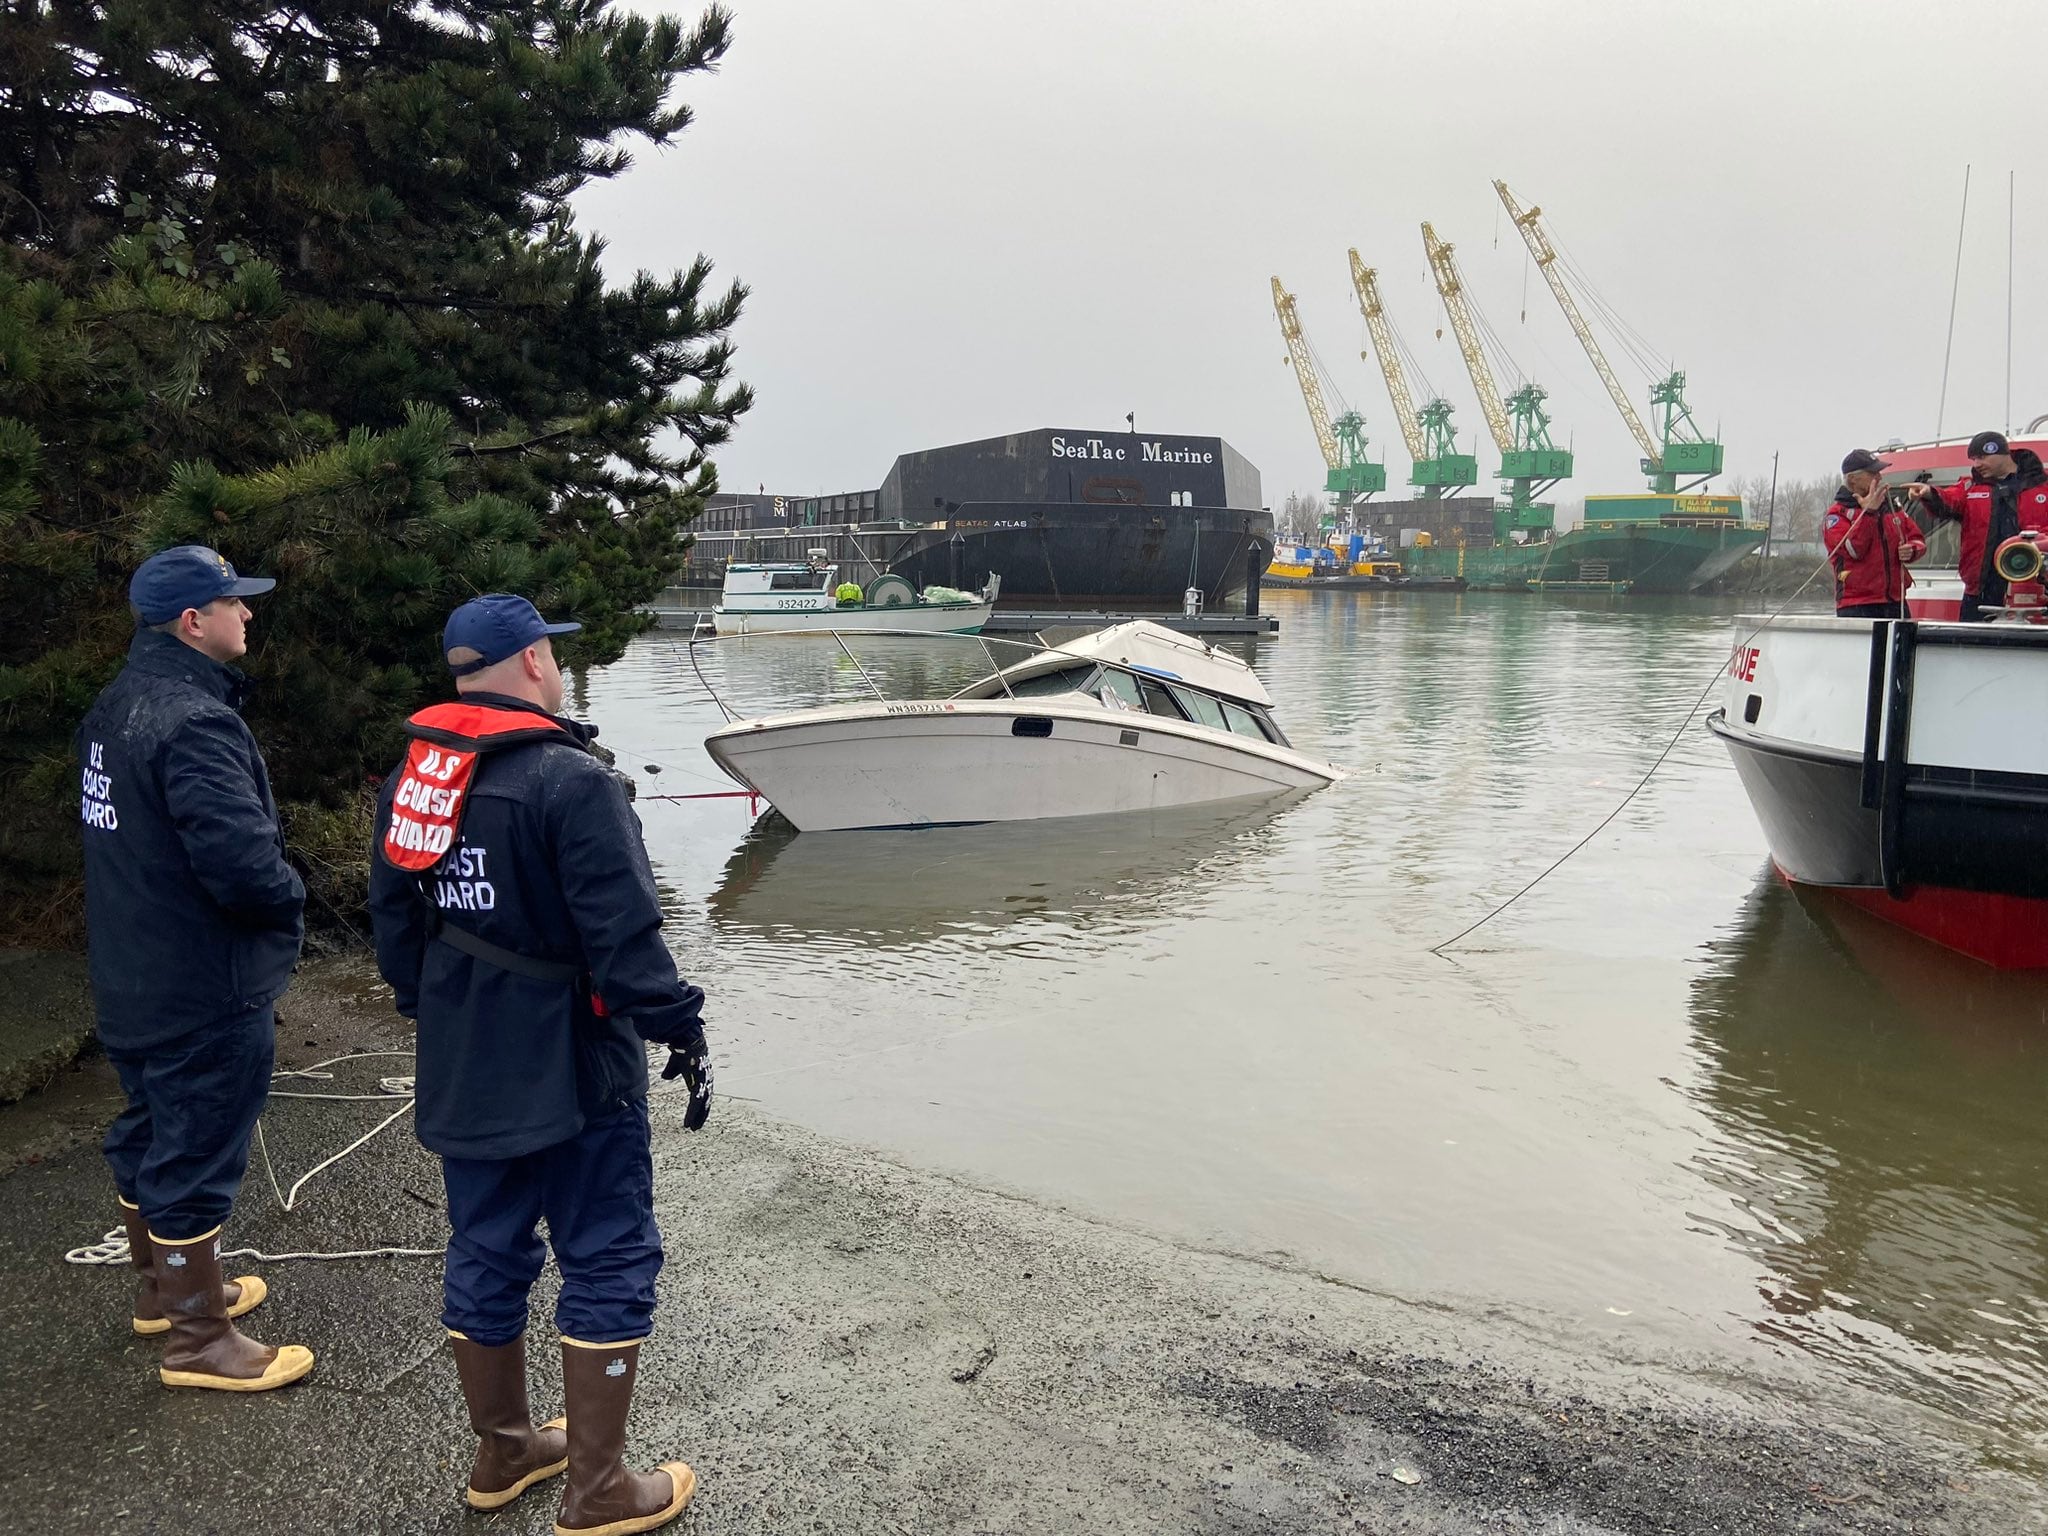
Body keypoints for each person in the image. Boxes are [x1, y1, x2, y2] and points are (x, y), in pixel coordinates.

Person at [368, 594, 713, 1532]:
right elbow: (626, 938)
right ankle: (598, 1489)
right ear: (530, 665)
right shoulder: (570, 780)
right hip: (571, 1064)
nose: (556, 670)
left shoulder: (420, 772)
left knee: (487, 1244)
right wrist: (679, 1027)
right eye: (550, 656)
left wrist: (435, 1012)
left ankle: (505, 1448)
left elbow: (397, 925)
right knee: (607, 1251)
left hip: (465, 1058)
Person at [75, 546, 314, 1392]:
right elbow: (244, 869)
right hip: (201, 982)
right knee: (195, 1148)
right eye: (234, 604)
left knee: (149, 1129)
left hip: (132, 971)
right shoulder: (194, 723)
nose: (247, 615)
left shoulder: (115, 707)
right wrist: (294, 898)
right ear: (193, 622)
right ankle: (199, 1340)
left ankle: (165, 1292)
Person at [1905, 431, 2048, 620]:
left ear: (2001, 453)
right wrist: (1929, 493)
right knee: (1975, 643)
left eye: (1981, 457)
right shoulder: (1970, 487)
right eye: (1974, 459)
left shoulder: (2042, 484)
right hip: (1982, 587)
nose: (1977, 464)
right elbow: (1950, 500)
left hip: (2037, 585)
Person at [1824, 450, 1926, 619]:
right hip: (1858, 604)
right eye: (1872, 473)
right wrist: (1869, 513)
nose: (1879, 477)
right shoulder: (1836, 515)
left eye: (1879, 472)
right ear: (1852, 479)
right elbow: (1853, 550)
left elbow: (1918, 538)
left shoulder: (1892, 508)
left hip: (1895, 601)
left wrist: (1912, 550)